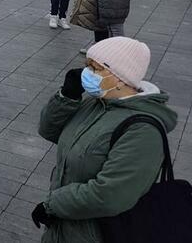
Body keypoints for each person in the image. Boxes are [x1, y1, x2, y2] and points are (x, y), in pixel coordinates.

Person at [33, 37, 177, 242]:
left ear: (120, 78)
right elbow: (49, 131)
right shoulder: (98, 103)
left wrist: (52, 205)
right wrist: (67, 97)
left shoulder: (143, 131)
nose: (87, 73)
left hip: (97, 234)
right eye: (87, 66)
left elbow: (110, 195)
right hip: (64, 228)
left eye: (96, 68)